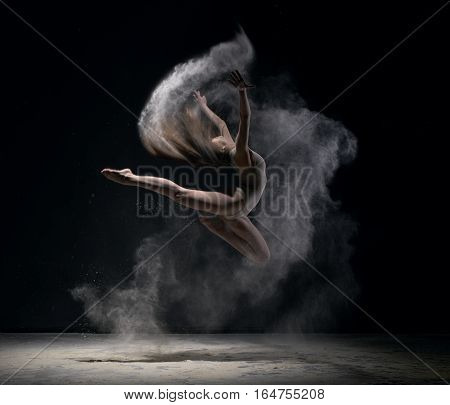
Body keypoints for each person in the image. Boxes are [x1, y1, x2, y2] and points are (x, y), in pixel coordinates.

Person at [102, 71, 270, 264]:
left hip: (239, 213)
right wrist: (241, 92)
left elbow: (221, 123)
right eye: (213, 140)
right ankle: (130, 177)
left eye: (214, 139)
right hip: (234, 206)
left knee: (263, 256)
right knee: (180, 195)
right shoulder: (239, 153)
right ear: (223, 148)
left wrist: (204, 106)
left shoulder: (232, 146)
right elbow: (245, 117)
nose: (213, 136)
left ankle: (215, 225)